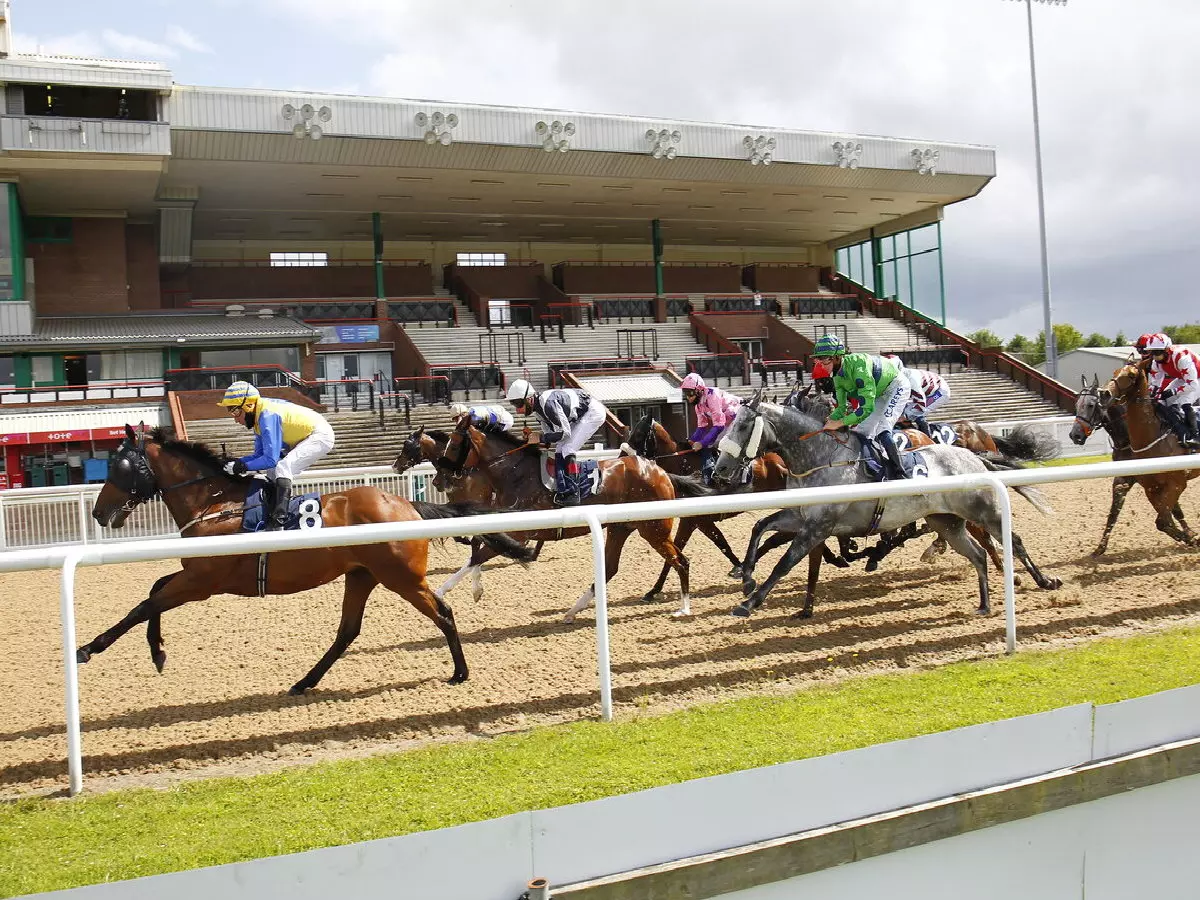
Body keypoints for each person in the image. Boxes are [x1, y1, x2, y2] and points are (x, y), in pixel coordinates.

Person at [217, 381, 336, 529]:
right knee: (273, 472)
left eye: (235, 412)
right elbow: (259, 455)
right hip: (303, 436)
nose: (235, 419)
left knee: (282, 467)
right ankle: (273, 514)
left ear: (249, 405)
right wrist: (237, 462)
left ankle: (279, 520)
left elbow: (270, 459)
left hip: (319, 435)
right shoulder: (259, 418)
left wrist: (242, 466)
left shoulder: (267, 416)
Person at [811, 334, 913, 478]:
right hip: (879, 393)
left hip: (897, 386)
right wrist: (829, 420)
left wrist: (839, 423)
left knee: (883, 429)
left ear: (837, 357)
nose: (821, 363)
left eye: (824, 358)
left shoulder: (858, 367)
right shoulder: (838, 377)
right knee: (861, 432)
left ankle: (901, 475)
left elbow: (866, 409)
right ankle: (875, 466)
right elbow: (841, 409)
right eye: (819, 359)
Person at [505, 378, 609, 506]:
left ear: (530, 399)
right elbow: (550, 440)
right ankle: (564, 489)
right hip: (579, 415)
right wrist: (532, 440)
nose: (517, 410)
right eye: (514, 404)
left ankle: (573, 492)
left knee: (567, 449)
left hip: (592, 412)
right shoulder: (538, 412)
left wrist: (540, 437)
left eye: (518, 404)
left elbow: (564, 433)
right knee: (560, 449)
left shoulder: (548, 404)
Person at [679, 372, 742, 483]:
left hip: (737, 417)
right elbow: (702, 427)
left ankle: (723, 473)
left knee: (717, 443)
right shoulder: (698, 405)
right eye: (686, 393)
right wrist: (692, 440)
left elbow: (719, 426)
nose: (688, 397)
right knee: (707, 442)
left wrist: (701, 443)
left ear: (699, 390)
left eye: (690, 393)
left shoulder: (712, 396)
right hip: (725, 421)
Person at [1144, 333, 1200, 449]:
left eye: (1157, 352)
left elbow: (1192, 384)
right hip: (1182, 378)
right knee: (1162, 402)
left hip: (1196, 379)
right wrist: (1151, 395)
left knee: (1185, 401)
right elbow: (1155, 384)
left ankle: (1195, 436)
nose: (1154, 356)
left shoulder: (1181, 358)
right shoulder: (1156, 363)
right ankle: (1180, 430)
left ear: (1166, 350)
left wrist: (1174, 392)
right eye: (1152, 352)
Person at [449, 402, 514, 435]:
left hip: (505, 420)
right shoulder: (471, 411)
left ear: (461, 415)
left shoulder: (473, 417)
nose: (456, 422)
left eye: (456, 419)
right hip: (500, 414)